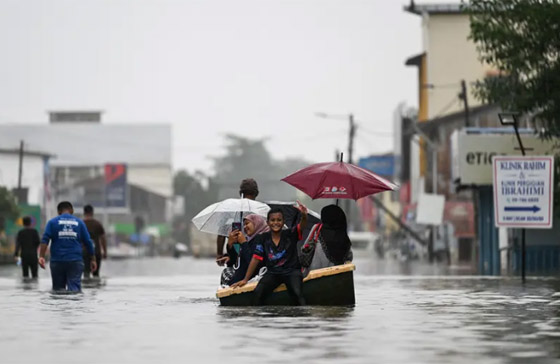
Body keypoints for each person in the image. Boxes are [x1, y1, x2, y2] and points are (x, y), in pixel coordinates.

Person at [232, 202, 308, 306]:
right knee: (258, 293)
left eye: (279, 220)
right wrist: (245, 279)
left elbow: (301, 226)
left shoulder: (290, 234)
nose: (275, 223)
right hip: (273, 273)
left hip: (291, 271)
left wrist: (304, 215)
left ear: (283, 222)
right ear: (267, 222)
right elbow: (255, 258)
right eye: (272, 220)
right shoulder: (262, 238)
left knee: (297, 294)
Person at [39, 201, 96, 292]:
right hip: (75, 261)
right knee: (74, 290)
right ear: (72, 210)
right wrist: (93, 259)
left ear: (59, 212)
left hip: (57, 261)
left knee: (58, 290)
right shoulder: (80, 223)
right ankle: (73, 305)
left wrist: (41, 256)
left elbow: (45, 239)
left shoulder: (52, 223)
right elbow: (88, 242)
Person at [216, 178, 259, 267]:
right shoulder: (260, 211)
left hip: (236, 253)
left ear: (240, 194)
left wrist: (219, 254)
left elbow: (221, 231)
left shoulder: (230, 209)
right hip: (253, 255)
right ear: (256, 194)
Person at [300, 204, 353, 276]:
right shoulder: (342, 234)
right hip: (336, 275)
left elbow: (306, 247)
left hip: (315, 274)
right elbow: (349, 257)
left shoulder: (317, 228)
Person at [221, 214, 269, 286]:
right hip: (240, 276)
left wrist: (243, 243)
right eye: (243, 225)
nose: (245, 227)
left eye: (247, 223)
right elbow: (235, 261)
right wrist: (230, 245)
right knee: (227, 270)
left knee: (226, 273)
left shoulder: (262, 239)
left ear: (256, 223)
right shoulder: (249, 240)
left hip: (251, 278)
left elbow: (252, 262)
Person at [82, 205, 107, 278]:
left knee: (86, 274)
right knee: (96, 274)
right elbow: (103, 239)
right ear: (92, 212)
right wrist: (105, 252)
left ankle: (87, 288)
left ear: (84, 213)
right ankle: (96, 288)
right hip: (96, 252)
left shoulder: (81, 224)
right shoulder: (97, 224)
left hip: (84, 252)